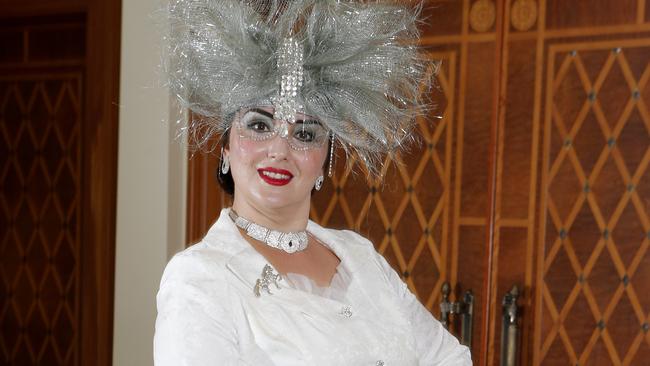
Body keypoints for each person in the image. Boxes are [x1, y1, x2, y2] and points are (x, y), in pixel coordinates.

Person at [154, 0, 472, 365]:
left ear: (325, 161)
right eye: (259, 126)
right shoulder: (199, 278)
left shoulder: (360, 257)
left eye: (304, 134)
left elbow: (448, 358)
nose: (279, 149)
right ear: (226, 147)